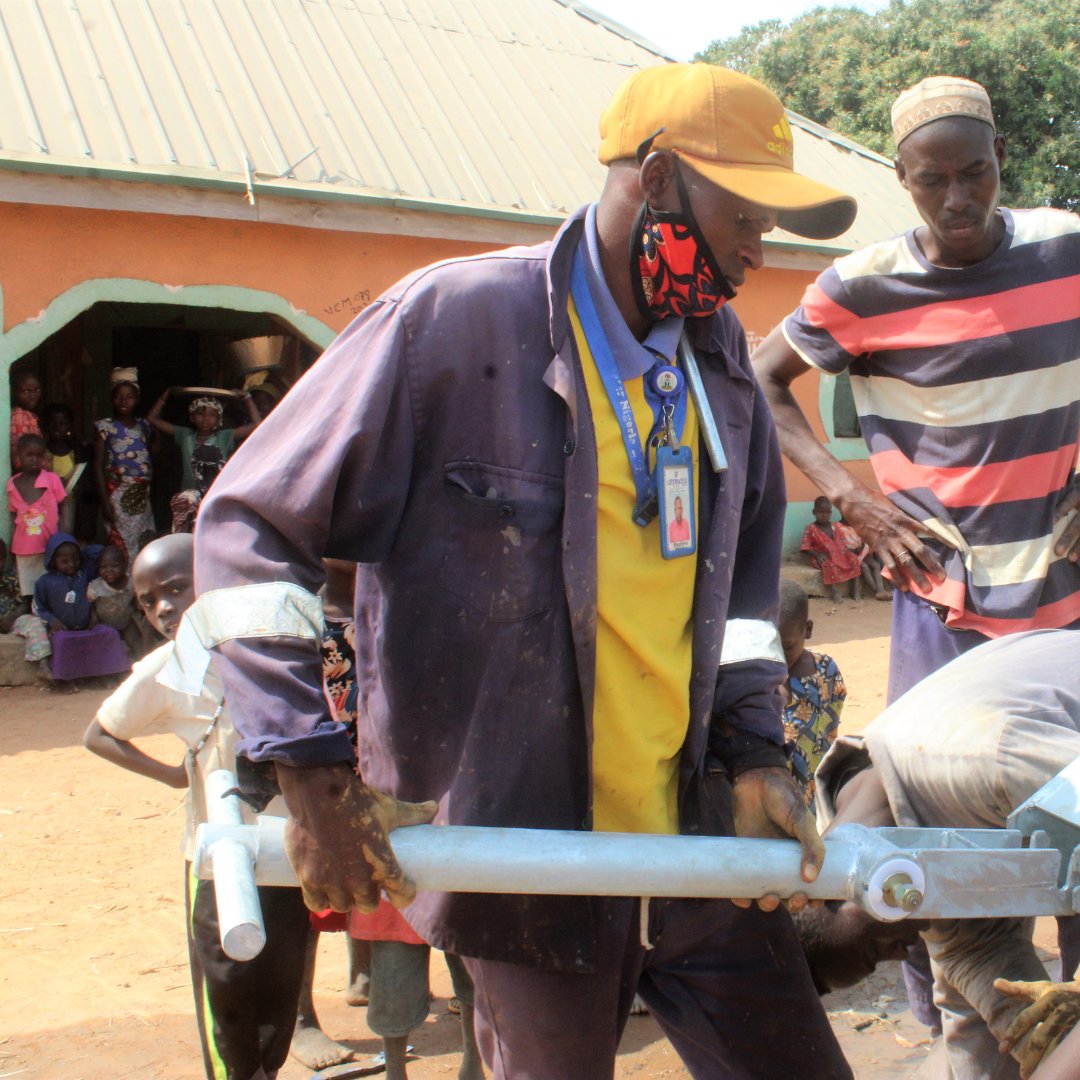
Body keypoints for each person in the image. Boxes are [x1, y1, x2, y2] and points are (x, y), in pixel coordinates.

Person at [192, 63, 860, 1079]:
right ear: (659, 176)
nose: (756, 249)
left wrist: (755, 749)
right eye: (744, 213)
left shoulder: (721, 364)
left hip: (694, 847)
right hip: (529, 862)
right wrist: (310, 766)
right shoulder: (449, 325)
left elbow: (746, 610)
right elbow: (248, 525)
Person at [752, 75, 1080, 703]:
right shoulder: (862, 288)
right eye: (932, 180)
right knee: (932, 779)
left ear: (1002, 157)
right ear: (902, 176)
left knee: (1058, 790)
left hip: (1063, 580)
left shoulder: (1063, 250)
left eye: (974, 172)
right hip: (940, 586)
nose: (957, 198)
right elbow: (762, 377)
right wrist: (850, 496)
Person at [82, 534, 312, 1080]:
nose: (164, 608)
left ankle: (269, 1066)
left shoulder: (270, 650)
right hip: (216, 858)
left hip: (286, 847)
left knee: (281, 971)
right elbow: (101, 734)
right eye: (147, 600)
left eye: (177, 589)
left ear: (213, 578)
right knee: (226, 981)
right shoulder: (167, 669)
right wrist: (171, 777)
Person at [803, 629, 1080, 1080]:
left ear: (821, 896)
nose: (904, 950)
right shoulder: (891, 840)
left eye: (876, 950)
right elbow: (980, 1006)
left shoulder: (982, 759)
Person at [23, 532, 130, 690]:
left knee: (110, 633)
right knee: (62, 642)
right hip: (62, 629)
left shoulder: (84, 574)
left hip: (88, 626)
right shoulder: (44, 582)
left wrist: (82, 552)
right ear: (52, 560)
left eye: (75, 559)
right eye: (65, 561)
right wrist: (52, 621)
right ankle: (64, 681)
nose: (71, 564)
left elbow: (100, 551)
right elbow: (38, 607)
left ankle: (110, 674)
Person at [147, 388, 261, 533]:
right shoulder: (185, 435)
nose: (206, 418)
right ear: (192, 417)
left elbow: (257, 424)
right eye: (200, 413)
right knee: (186, 533)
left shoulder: (225, 436)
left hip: (214, 496)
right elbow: (152, 418)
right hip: (188, 498)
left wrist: (247, 397)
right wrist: (165, 396)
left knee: (212, 532)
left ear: (219, 420)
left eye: (212, 415)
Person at [778, 579, 846, 812]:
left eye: (786, 646)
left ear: (808, 629)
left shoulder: (827, 669)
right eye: (770, 644)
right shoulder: (764, 684)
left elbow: (833, 716)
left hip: (817, 784)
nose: (778, 655)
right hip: (780, 794)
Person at [94, 368, 156, 562]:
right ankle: (121, 585)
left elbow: (153, 452)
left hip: (141, 495)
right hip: (117, 493)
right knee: (119, 541)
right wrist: (105, 502)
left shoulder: (144, 425)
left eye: (129, 396)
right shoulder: (105, 426)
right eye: (119, 396)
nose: (124, 401)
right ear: (112, 398)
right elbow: (97, 464)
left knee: (143, 540)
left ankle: (140, 585)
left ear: (137, 399)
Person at [6, 433, 66, 613]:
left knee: (50, 586)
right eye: (29, 455)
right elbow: (14, 516)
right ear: (19, 456)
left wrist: (66, 532)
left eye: (38, 455)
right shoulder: (12, 485)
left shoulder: (52, 480)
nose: (34, 459)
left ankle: (49, 613)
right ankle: (29, 612)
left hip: (50, 546)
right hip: (24, 548)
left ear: (44, 457)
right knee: (28, 590)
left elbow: (64, 505)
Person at [800, 495, 888, 602]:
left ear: (831, 513)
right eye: (821, 512)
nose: (824, 515)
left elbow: (840, 543)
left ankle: (855, 591)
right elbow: (805, 548)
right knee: (827, 564)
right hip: (820, 557)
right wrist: (817, 554)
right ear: (814, 512)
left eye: (827, 512)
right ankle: (834, 592)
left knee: (854, 559)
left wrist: (851, 551)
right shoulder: (810, 528)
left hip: (838, 554)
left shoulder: (834, 526)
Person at [40, 402, 93, 538]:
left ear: (69, 425)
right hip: (47, 502)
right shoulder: (42, 451)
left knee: (67, 531)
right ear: (45, 424)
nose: (57, 426)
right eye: (52, 422)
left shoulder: (77, 451)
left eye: (61, 422)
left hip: (70, 501)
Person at [87, 545, 150, 659]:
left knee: (137, 643)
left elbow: (137, 600)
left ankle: (144, 664)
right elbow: (89, 603)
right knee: (110, 649)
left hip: (126, 621)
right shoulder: (96, 586)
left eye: (114, 566)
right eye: (103, 567)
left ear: (125, 566)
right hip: (104, 623)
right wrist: (93, 616)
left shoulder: (132, 582)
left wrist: (139, 605)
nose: (109, 571)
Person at [9, 367, 42, 470]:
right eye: (26, 391)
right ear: (14, 391)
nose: (33, 396)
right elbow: (21, 461)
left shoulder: (29, 415)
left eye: (37, 390)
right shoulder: (19, 416)